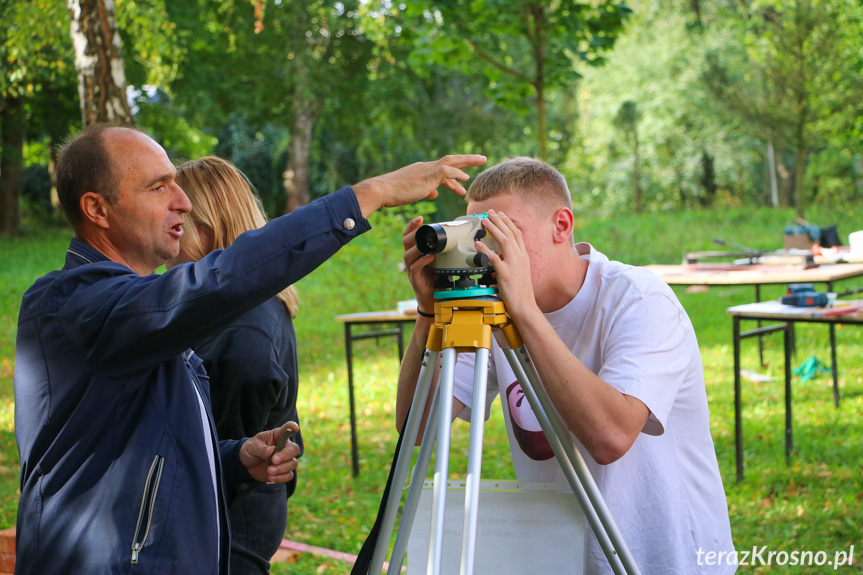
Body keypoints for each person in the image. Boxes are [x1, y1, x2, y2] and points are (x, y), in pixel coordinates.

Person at [13, 122, 486, 575]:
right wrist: (370, 195)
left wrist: (237, 459)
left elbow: (134, 461)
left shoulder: (131, 313)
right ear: (97, 209)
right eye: (159, 188)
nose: (182, 202)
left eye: (177, 185)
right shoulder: (77, 304)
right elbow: (219, 282)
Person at [396, 157, 735, 574]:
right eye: (477, 235)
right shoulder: (491, 309)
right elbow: (416, 423)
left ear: (562, 225)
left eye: (505, 232)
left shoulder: (640, 301)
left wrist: (524, 314)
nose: (489, 250)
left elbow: (610, 438)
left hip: (663, 556)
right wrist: (428, 314)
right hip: (564, 557)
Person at [167, 156, 304, 574]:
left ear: (207, 228)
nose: (167, 230)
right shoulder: (231, 305)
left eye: (178, 220)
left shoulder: (244, 326)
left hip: (232, 523)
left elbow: (229, 445)